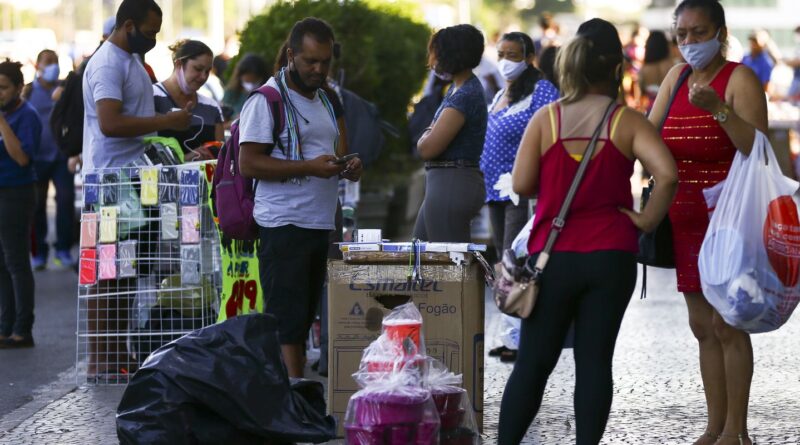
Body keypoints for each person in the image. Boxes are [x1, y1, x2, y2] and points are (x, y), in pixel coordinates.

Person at [498, 18, 678, 444]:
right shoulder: (627, 121)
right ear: (617, 67)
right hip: (612, 256)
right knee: (595, 363)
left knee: (533, 364)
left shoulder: (548, 119)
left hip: (553, 258)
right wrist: (646, 221)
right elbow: (667, 175)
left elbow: (522, 185)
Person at [648, 1, 771, 444]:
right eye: (681, 34)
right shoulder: (675, 78)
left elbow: (757, 147)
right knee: (702, 327)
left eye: (699, 33)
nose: (689, 43)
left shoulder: (739, 78)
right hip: (684, 218)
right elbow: (649, 134)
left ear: (720, 32)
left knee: (727, 324)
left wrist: (719, 109)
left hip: (730, 218)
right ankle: (713, 426)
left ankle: (736, 431)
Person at [238, 17, 362, 379]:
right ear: (291, 55)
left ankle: (296, 394)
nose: (318, 69)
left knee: (305, 315)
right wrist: (309, 166)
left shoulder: (323, 97)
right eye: (310, 61)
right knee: (287, 320)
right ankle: (293, 394)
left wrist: (348, 164)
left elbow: (330, 151)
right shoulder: (267, 100)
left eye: (325, 61)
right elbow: (249, 163)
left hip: (317, 222)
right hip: (283, 223)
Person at [81, 0, 190, 379]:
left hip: (131, 180)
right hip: (110, 184)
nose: (154, 39)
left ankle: (118, 353)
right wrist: (165, 121)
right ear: (128, 25)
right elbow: (110, 123)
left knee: (125, 272)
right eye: (149, 31)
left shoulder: (129, 62)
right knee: (107, 274)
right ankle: (101, 359)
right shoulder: (108, 64)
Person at [481, 31, 559, 264]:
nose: (505, 61)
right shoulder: (500, 95)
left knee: (514, 259)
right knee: (502, 258)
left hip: (521, 191)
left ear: (529, 58)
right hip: (494, 190)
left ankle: (523, 301)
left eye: (512, 55)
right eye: (501, 54)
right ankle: (510, 300)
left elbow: (553, 135)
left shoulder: (541, 90)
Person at [414, 24, 487, 242]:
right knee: (422, 257)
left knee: (447, 266)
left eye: (436, 53)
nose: (432, 61)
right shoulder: (458, 89)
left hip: (452, 181)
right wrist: (429, 133)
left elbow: (428, 147)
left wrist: (425, 135)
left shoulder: (465, 95)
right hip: (444, 181)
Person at [0, 60, 42, 349]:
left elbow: (22, 158)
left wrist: (1, 122)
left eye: (3, 88)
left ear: (18, 88)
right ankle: (5, 326)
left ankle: (22, 328)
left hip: (16, 192)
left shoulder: (26, 115)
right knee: (1, 263)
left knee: (16, 261)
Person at [24, 50, 76, 270]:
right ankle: (39, 253)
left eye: (56, 61)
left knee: (65, 202)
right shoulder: (27, 91)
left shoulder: (64, 88)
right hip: (37, 158)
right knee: (36, 205)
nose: (53, 66)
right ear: (38, 66)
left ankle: (63, 249)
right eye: (48, 62)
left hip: (61, 157)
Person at [153, 39, 224, 160]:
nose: (203, 77)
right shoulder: (151, 97)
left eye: (207, 71)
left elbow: (222, 156)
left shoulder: (211, 107)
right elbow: (144, 153)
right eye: (198, 69)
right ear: (179, 64)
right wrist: (186, 159)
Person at [222, 53, 269, 121]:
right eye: (248, 82)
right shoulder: (231, 92)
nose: (251, 86)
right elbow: (222, 120)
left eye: (254, 82)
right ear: (239, 77)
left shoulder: (265, 96)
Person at [639, 31, 675, 111]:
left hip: (652, 110)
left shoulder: (644, 70)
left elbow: (641, 92)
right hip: (671, 109)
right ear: (665, 46)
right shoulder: (673, 67)